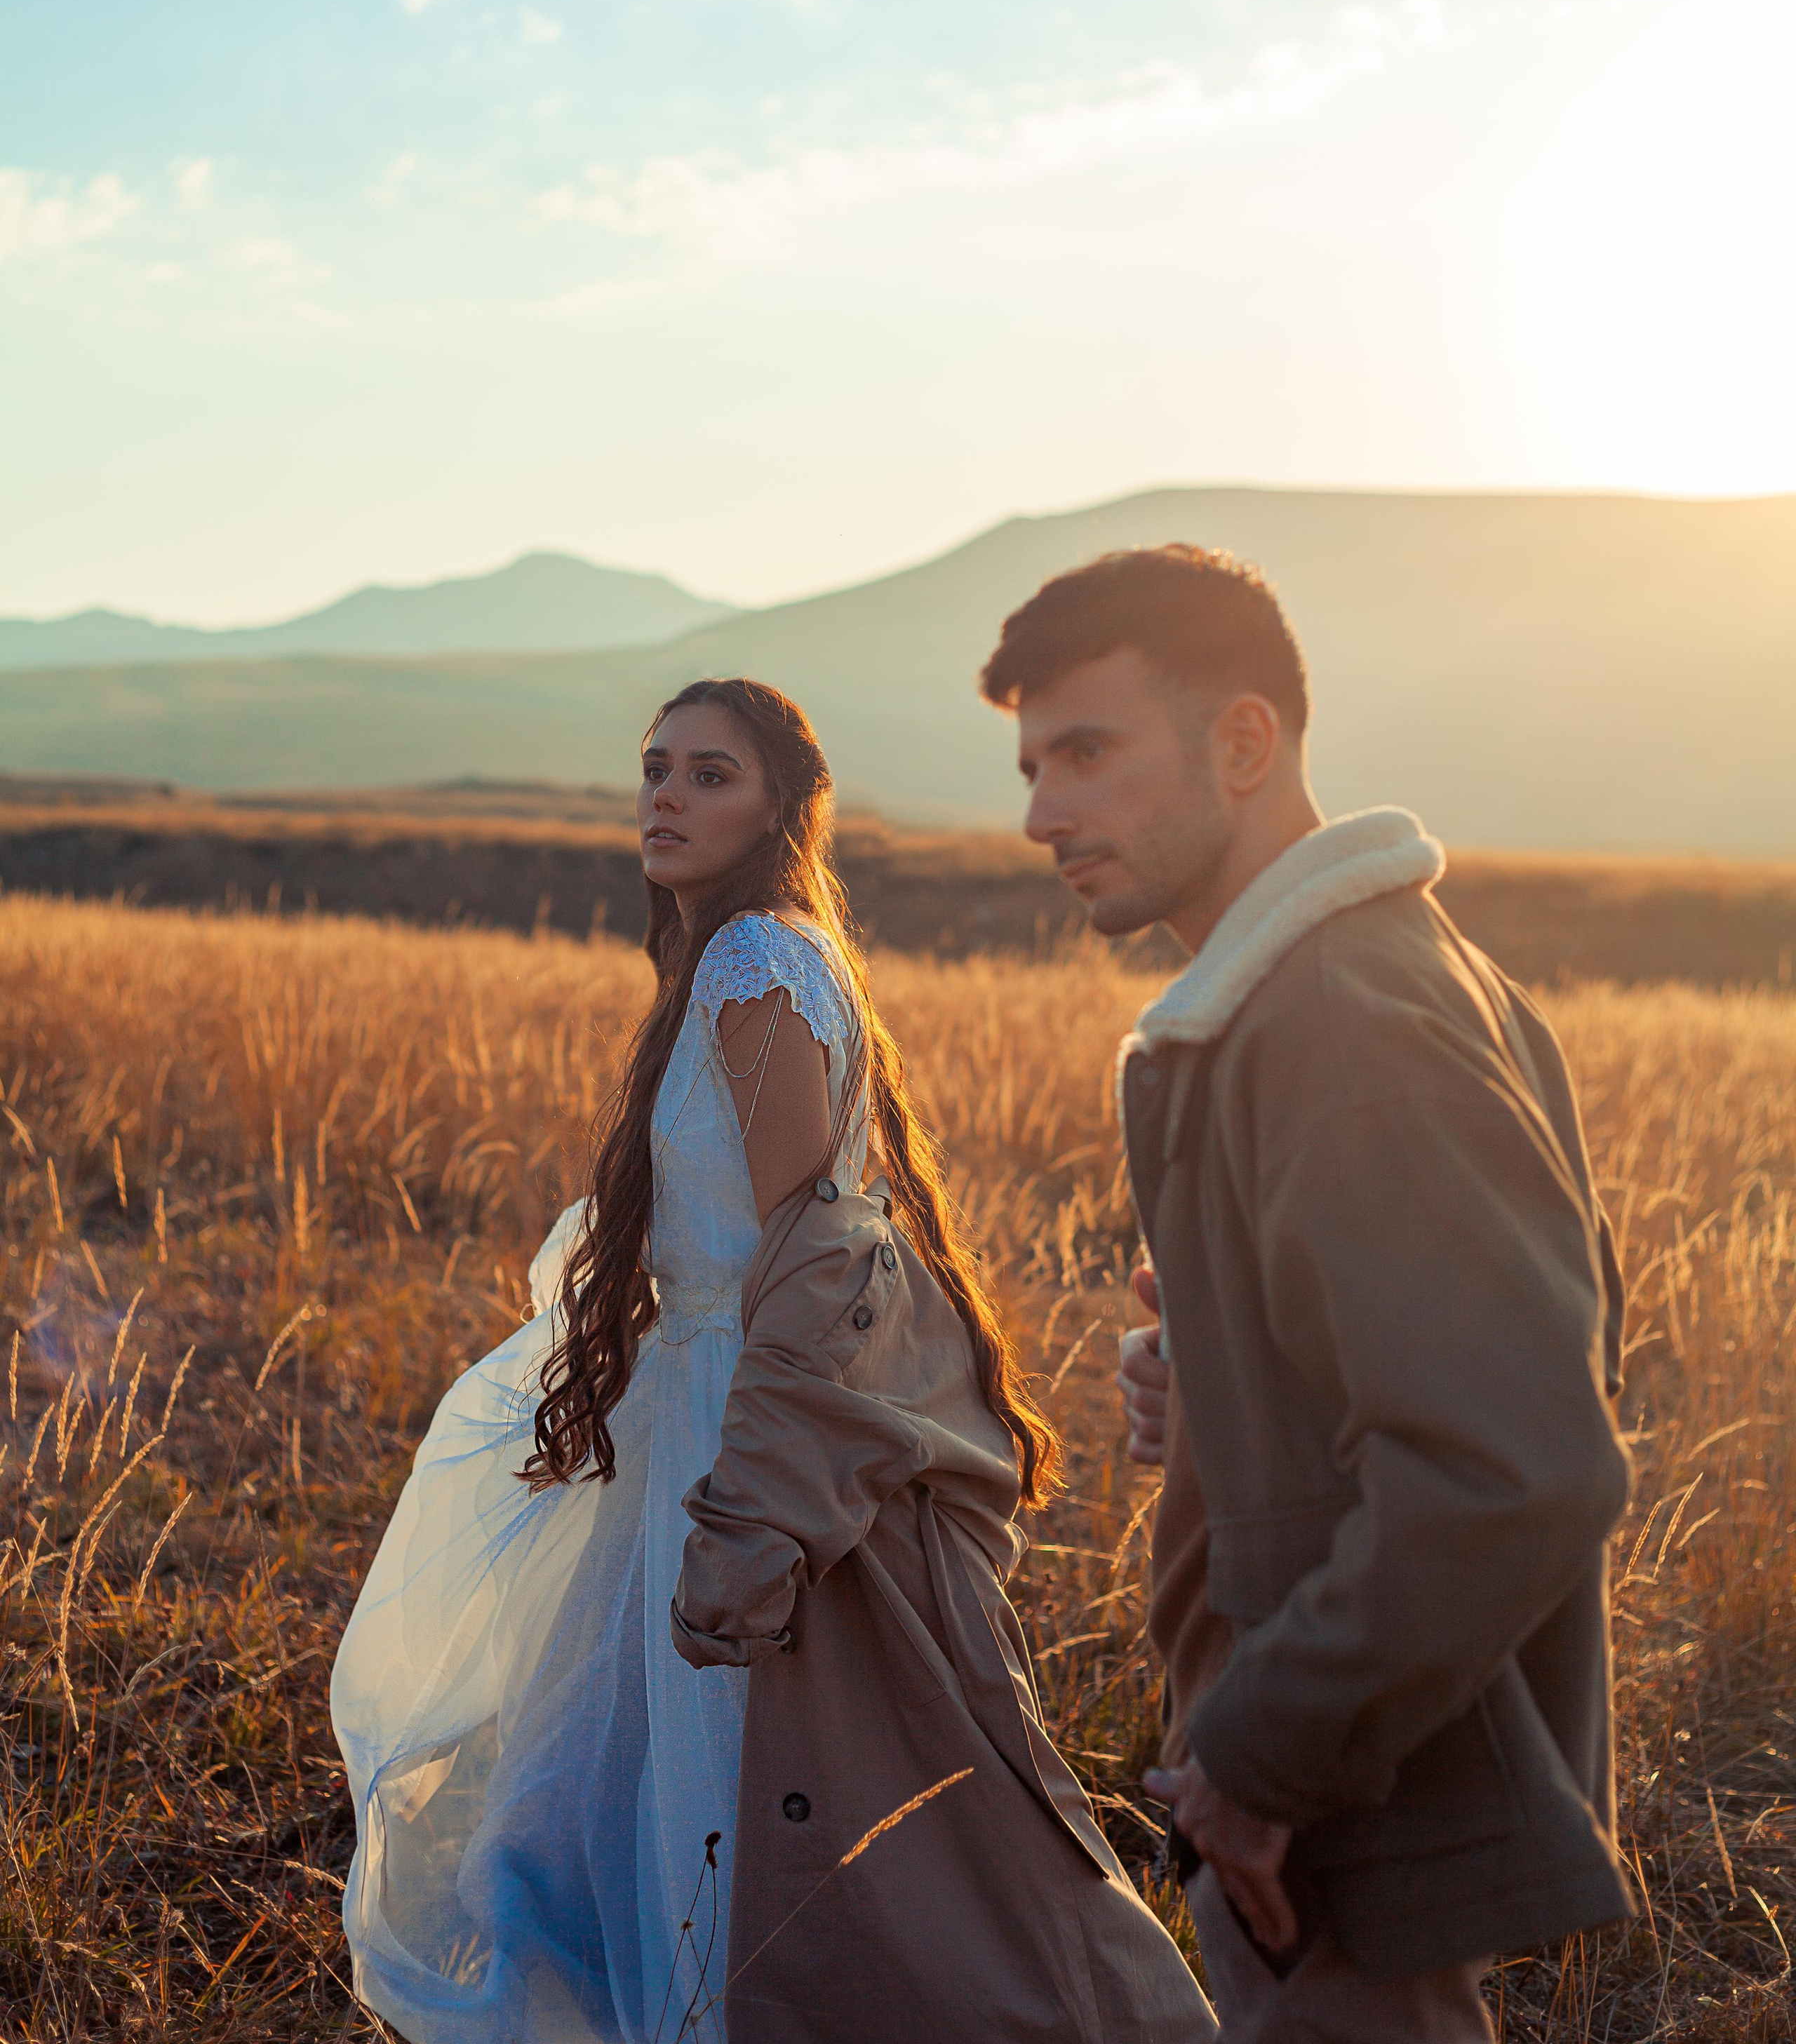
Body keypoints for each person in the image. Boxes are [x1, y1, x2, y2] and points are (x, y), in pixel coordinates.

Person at [332, 675, 1212, 2044]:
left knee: (755, 1785)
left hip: (745, 1419)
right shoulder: (729, 959)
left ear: (780, 808)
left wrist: (755, 1506)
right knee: (608, 1788)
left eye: (707, 775)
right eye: (655, 768)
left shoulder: (754, 965)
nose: (665, 797)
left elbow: (816, 1250)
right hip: (692, 1400)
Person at [979, 547, 1637, 2043]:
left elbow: (1510, 1464)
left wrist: (1259, 1758)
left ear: (1241, 742)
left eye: (1085, 752)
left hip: (1354, 1791)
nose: (1038, 815)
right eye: (1029, 767)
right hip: (1325, 1772)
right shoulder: (1296, 1000)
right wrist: (1216, 1377)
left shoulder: (1346, 1022)